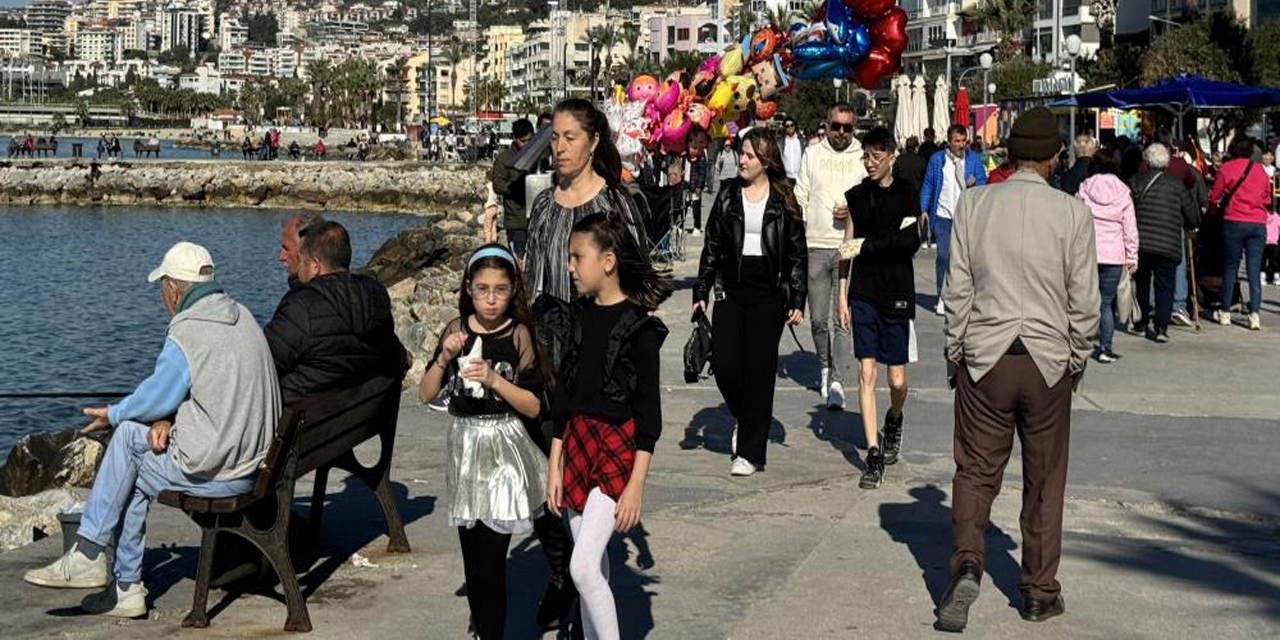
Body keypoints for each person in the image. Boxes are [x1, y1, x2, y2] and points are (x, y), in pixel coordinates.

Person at [23, 242, 279, 619]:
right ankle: (121, 584)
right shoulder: (242, 316)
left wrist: (114, 413)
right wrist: (167, 418)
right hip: (255, 465)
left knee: (127, 441)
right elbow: (202, 391)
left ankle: (93, 556)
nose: (163, 296)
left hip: (219, 472)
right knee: (133, 461)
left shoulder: (187, 329)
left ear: (174, 288)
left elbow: (157, 395)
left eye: (162, 287)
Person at [936, 107, 1099, 632]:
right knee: (1045, 480)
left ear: (1009, 153)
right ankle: (1038, 592)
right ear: (1054, 157)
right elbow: (1085, 301)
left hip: (986, 357)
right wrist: (1076, 356)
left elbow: (957, 290)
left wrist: (955, 351)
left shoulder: (974, 204)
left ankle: (965, 563)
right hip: (1048, 362)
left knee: (976, 472)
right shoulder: (1072, 213)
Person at [545, 213, 670, 640]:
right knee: (593, 566)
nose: (570, 267)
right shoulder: (577, 316)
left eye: (578, 257)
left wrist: (637, 484)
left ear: (609, 260)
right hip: (577, 443)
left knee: (581, 567)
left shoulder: (640, 329)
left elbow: (649, 416)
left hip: (618, 448)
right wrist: (554, 465)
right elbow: (562, 398)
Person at [417, 244, 551, 640]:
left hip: (503, 449)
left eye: (501, 289)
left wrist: (494, 380)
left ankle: (493, 633)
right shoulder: (456, 331)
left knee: (492, 564)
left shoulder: (519, 334)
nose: (491, 298)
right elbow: (425, 395)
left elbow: (532, 405)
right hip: (464, 449)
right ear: (468, 290)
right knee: (472, 563)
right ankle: (482, 627)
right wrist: (443, 358)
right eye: (482, 289)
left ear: (513, 292)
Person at [694, 127, 808, 477]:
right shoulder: (729, 194)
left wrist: (797, 298)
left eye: (749, 156)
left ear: (766, 161)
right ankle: (748, 420)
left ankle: (750, 452)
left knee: (760, 372)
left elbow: (796, 253)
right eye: (741, 154)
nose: (741, 161)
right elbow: (712, 245)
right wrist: (701, 292)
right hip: (731, 290)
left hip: (769, 294)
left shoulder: (784, 197)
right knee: (726, 365)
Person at [835, 127, 920, 489]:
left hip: (898, 291)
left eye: (876, 156)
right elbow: (846, 247)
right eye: (865, 156)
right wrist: (842, 294)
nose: (869, 163)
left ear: (892, 157)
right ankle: (873, 452)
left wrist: (867, 246)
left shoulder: (907, 194)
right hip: (863, 292)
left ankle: (895, 418)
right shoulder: (855, 197)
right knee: (866, 373)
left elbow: (910, 243)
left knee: (896, 379)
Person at [264, 220, 409, 405]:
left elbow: (262, 363)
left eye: (302, 260)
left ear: (315, 266)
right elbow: (394, 356)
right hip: (354, 422)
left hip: (303, 426)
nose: (298, 267)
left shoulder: (301, 307)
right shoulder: (376, 296)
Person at [525, 99, 649, 304]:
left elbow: (639, 276)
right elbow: (532, 279)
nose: (560, 148)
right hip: (554, 331)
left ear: (593, 142)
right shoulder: (544, 205)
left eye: (570, 138)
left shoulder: (614, 202)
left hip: (605, 331)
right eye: (555, 138)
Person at [796, 102, 865, 409]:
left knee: (843, 318)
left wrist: (854, 210)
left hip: (850, 245)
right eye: (836, 126)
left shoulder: (862, 156)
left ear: (854, 128)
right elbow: (801, 195)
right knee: (818, 320)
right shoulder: (812, 154)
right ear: (827, 125)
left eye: (847, 127)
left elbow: (870, 196)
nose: (841, 132)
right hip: (816, 243)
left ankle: (837, 380)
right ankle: (824, 366)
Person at [1129, 143, 1199, 342]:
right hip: (1168, 243)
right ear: (1166, 163)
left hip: (1142, 242)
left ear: (1147, 160)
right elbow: (1192, 215)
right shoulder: (1177, 185)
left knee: (1142, 283)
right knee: (1165, 285)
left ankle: (1141, 322)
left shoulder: (1135, 181)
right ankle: (1161, 328)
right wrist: (1190, 223)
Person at [1077, 149, 1138, 362]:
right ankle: (1105, 347)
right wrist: (1132, 257)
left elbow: (1077, 220)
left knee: (1085, 301)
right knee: (1105, 303)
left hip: (1088, 251)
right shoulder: (1123, 191)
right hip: (1114, 254)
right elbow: (1130, 227)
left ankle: (1080, 342)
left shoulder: (1085, 187)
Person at [920, 124, 987, 315]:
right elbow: (929, 185)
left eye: (963, 141)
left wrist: (975, 183)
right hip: (943, 217)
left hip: (966, 217)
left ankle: (965, 296)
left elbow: (983, 184)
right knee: (943, 256)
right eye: (956, 141)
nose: (960, 145)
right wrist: (924, 208)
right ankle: (942, 296)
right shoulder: (937, 160)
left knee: (967, 260)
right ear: (949, 142)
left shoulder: (973, 159)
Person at [1211, 136, 1273, 330]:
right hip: (1257, 223)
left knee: (1230, 268)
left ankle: (1226, 311)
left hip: (1234, 221)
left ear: (1233, 150)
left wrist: (1214, 211)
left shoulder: (1226, 169)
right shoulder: (1261, 172)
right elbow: (1267, 198)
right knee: (1254, 270)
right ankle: (1254, 314)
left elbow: (1215, 196)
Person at [491, 118, 536, 258]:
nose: (527, 144)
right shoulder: (505, 158)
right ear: (515, 138)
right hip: (516, 221)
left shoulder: (538, 154)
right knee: (518, 261)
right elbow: (497, 185)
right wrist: (515, 187)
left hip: (536, 219)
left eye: (530, 140)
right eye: (523, 141)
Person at [780, 116, 804, 185]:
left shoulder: (802, 141)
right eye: (787, 126)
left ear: (795, 126)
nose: (790, 127)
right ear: (784, 128)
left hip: (800, 178)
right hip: (786, 178)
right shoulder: (781, 142)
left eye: (792, 125)